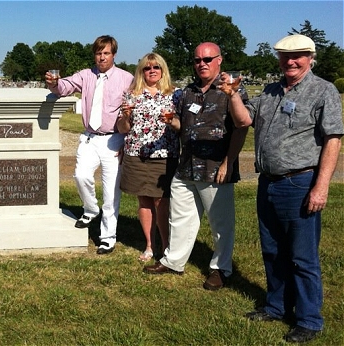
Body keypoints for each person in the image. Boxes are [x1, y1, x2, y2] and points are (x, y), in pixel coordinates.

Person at [222, 34, 343, 343]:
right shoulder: (272, 91)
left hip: (300, 183)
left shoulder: (323, 91)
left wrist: (321, 186)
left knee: (302, 257)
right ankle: (276, 306)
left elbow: (333, 139)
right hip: (269, 183)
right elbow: (244, 119)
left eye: (299, 55)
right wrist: (234, 95)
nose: (291, 61)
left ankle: (309, 320)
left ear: (310, 57)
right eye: (285, 56)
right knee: (273, 251)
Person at [143, 42, 248, 292]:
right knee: (180, 218)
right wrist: (171, 122)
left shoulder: (231, 90)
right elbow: (181, 124)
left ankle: (221, 269)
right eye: (198, 60)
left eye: (207, 59)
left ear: (219, 60)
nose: (202, 63)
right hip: (186, 167)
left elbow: (242, 126)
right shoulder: (188, 91)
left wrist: (228, 163)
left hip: (215, 168)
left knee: (220, 224)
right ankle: (174, 261)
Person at [45, 35, 133, 254]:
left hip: (114, 139)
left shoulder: (126, 78)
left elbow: (133, 111)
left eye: (106, 53)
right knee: (81, 176)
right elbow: (64, 87)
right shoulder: (86, 75)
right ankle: (91, 209)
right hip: (90, 137)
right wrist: (55, 83)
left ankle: (107, 237)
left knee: (112, 193)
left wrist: (127, 141)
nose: (101, 57)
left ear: (114, 55)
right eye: (98, 53)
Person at [116, 53, 180, 262]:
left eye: (156, 67)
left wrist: (172, 123)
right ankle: (150, 246)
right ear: (141, 71)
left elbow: (182, 126)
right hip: (137, 154)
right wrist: (126, 117)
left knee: (162, 201)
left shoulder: (175, 94)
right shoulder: (132, 95)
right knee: (144, 200)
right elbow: (123, 128)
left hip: (163, 154)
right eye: (147, 68)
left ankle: (167, 245)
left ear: (163, 70)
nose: (152, 71)